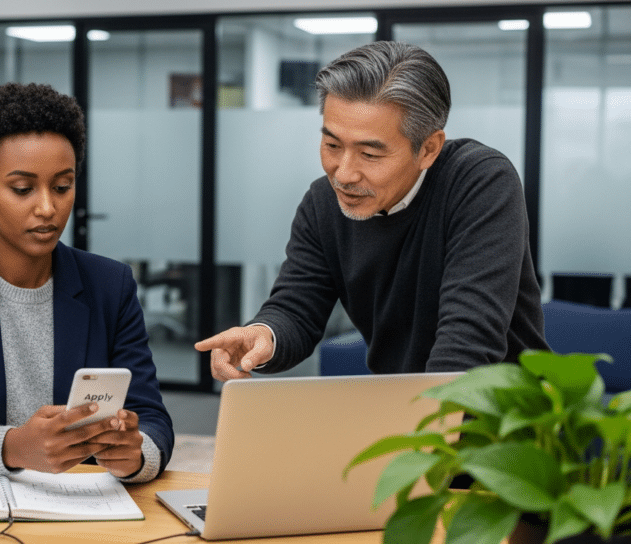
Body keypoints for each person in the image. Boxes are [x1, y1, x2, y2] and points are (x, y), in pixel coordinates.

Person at [197, 41, 549, 381]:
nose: (344, 175)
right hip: (403, 405)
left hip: (503, 411)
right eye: (332, 144)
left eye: (369, 154)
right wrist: (264, 335)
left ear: (428, 149)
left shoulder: (479, 182)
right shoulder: (323, 203)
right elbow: (296, 307)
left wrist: (428, 420)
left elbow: (468, 340)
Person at [0, 83, 174, 482]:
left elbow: (153, 421)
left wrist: (136, 454)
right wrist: (13, 447)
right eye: (22, 189)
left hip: (80, 504)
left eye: (62, 186)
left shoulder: (110, 285)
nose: (47, 207)